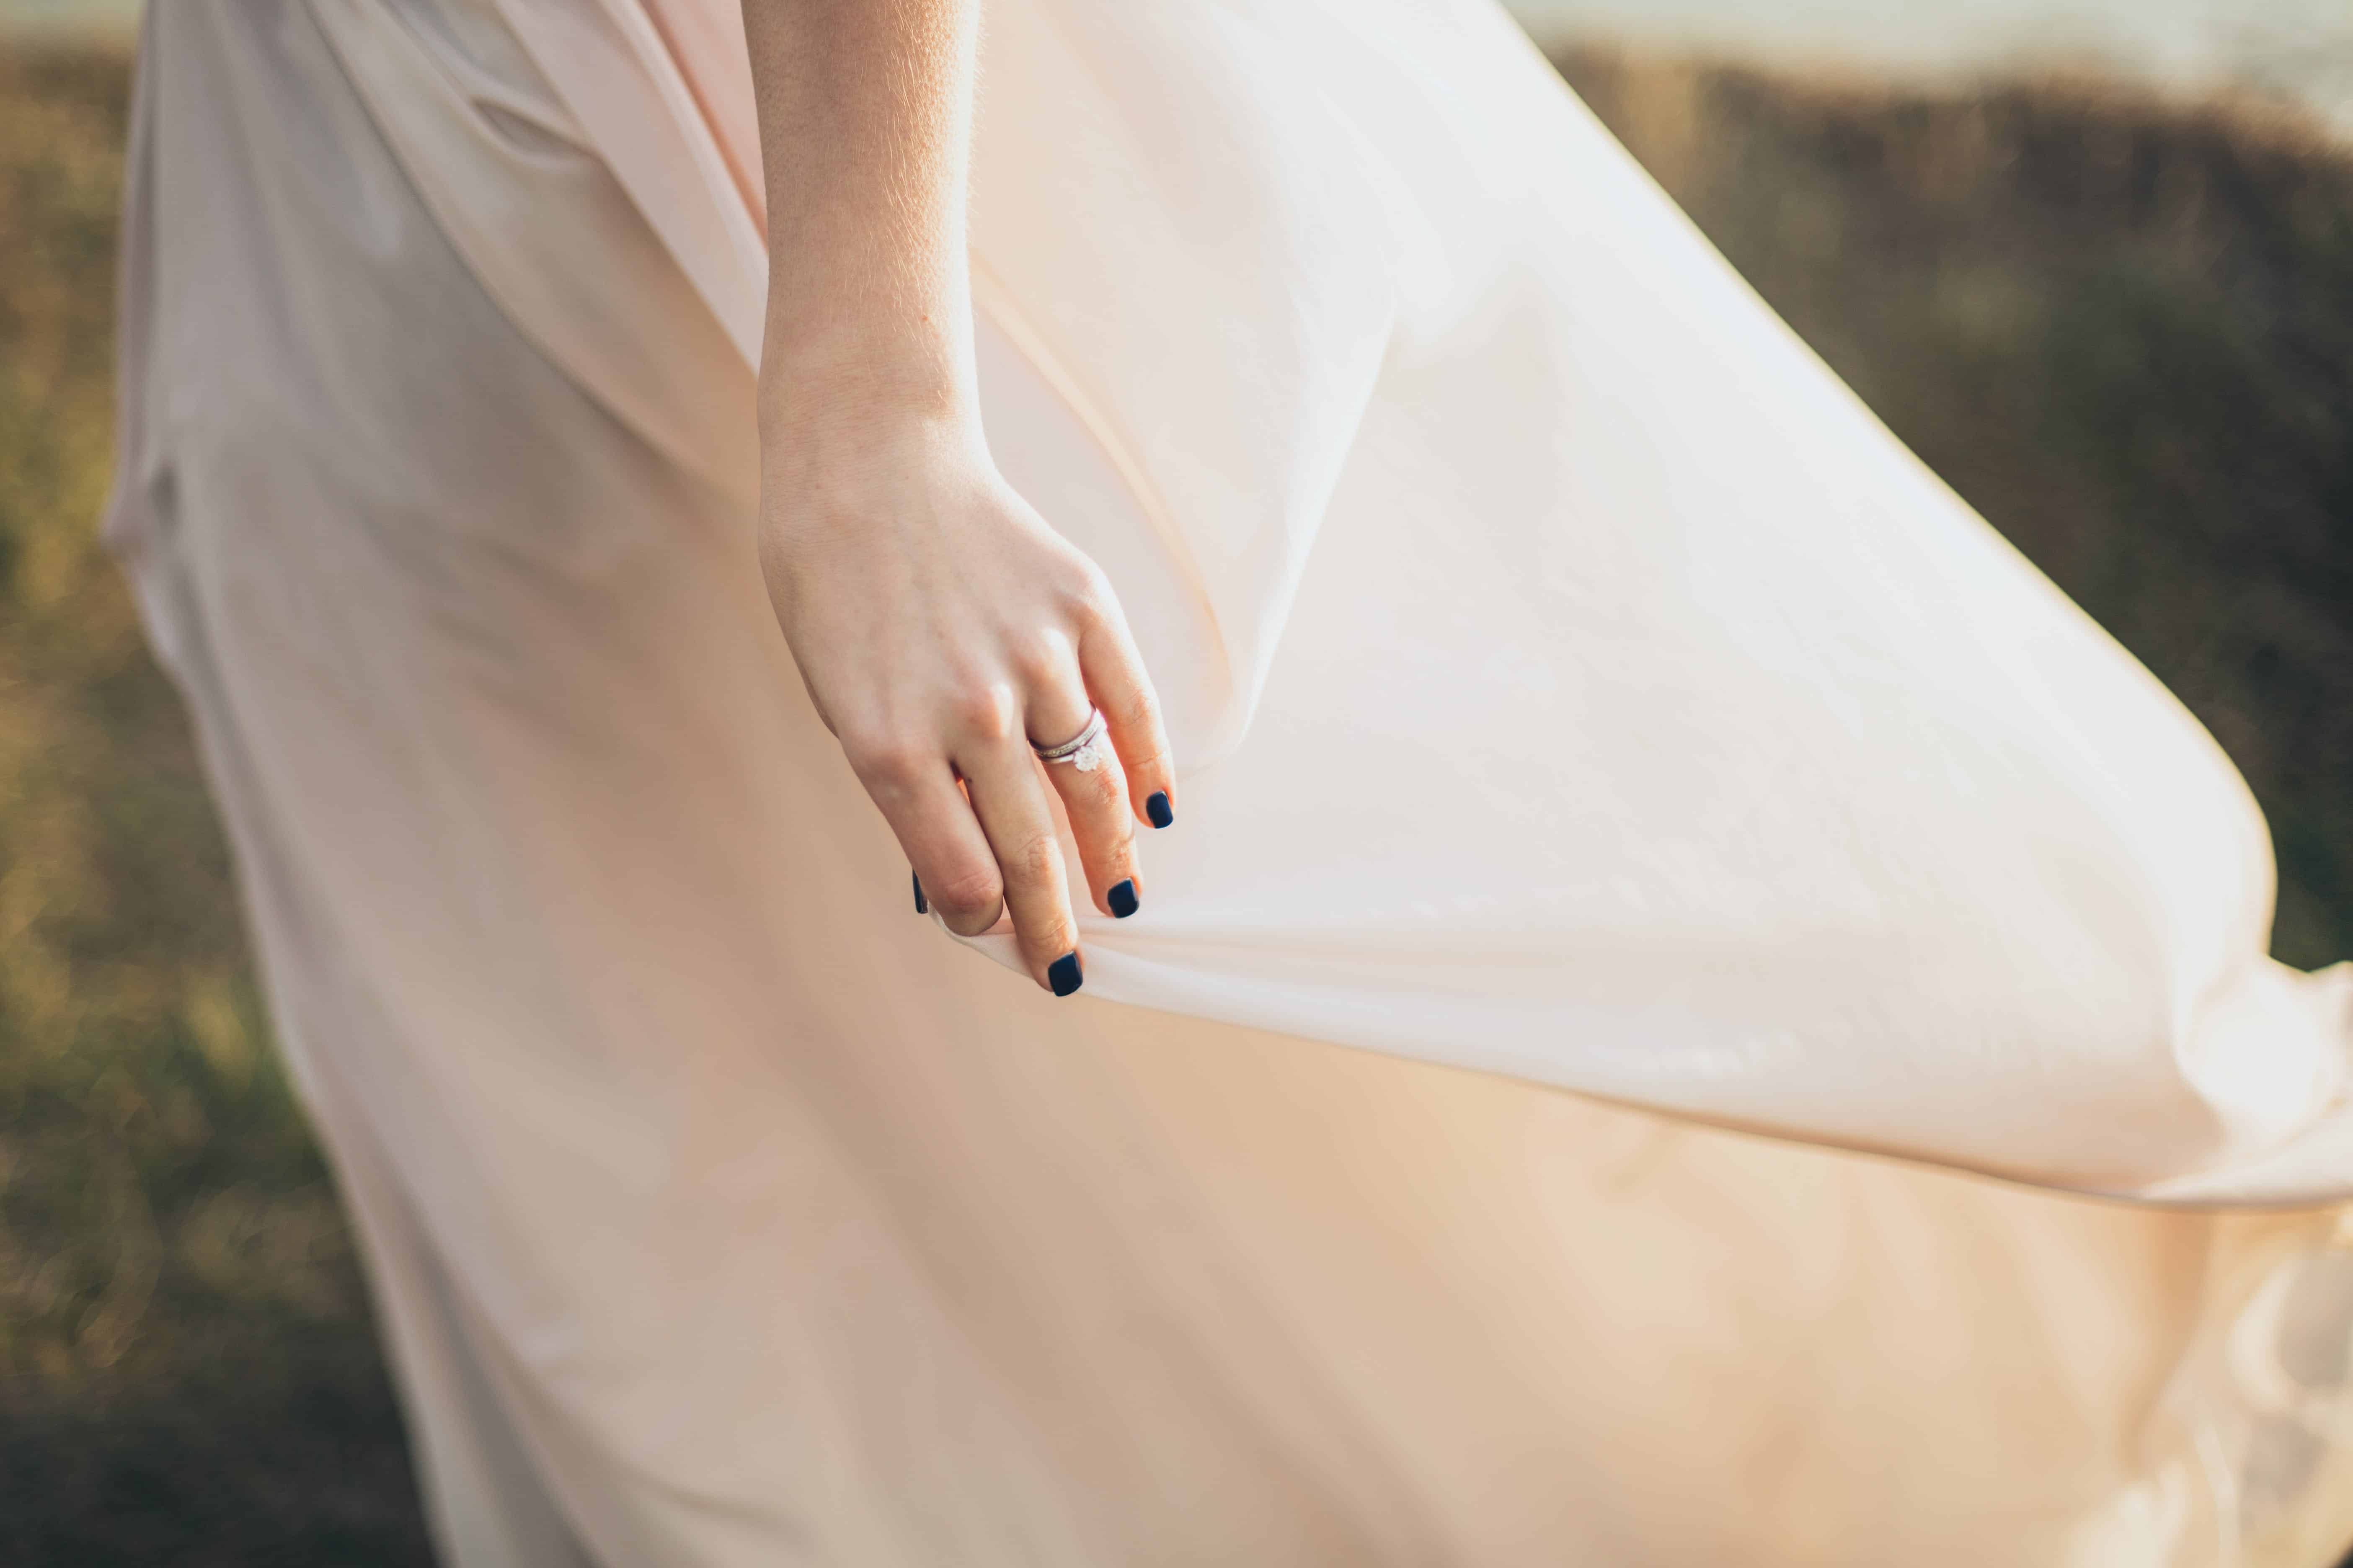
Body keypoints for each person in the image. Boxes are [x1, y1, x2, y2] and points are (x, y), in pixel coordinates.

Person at [108, 0, 2353, 1561]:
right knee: (678, 1031)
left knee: (1373, 896)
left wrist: (880, 398)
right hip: (368, 138)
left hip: (824, 135)